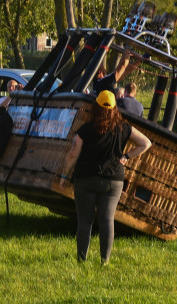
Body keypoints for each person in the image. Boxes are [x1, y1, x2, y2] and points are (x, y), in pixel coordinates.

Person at [62, 90, 151, 264]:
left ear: (96, 106)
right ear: (115, 108)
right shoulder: (124, 128)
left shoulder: (85, 129)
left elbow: (73, 154)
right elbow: (146, 143)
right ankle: (105, 261)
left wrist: (64, 175)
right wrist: (127, 156)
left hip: (86, 179)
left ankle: (82, 260)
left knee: (85, 222)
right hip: (113, 180)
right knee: (107, 220)